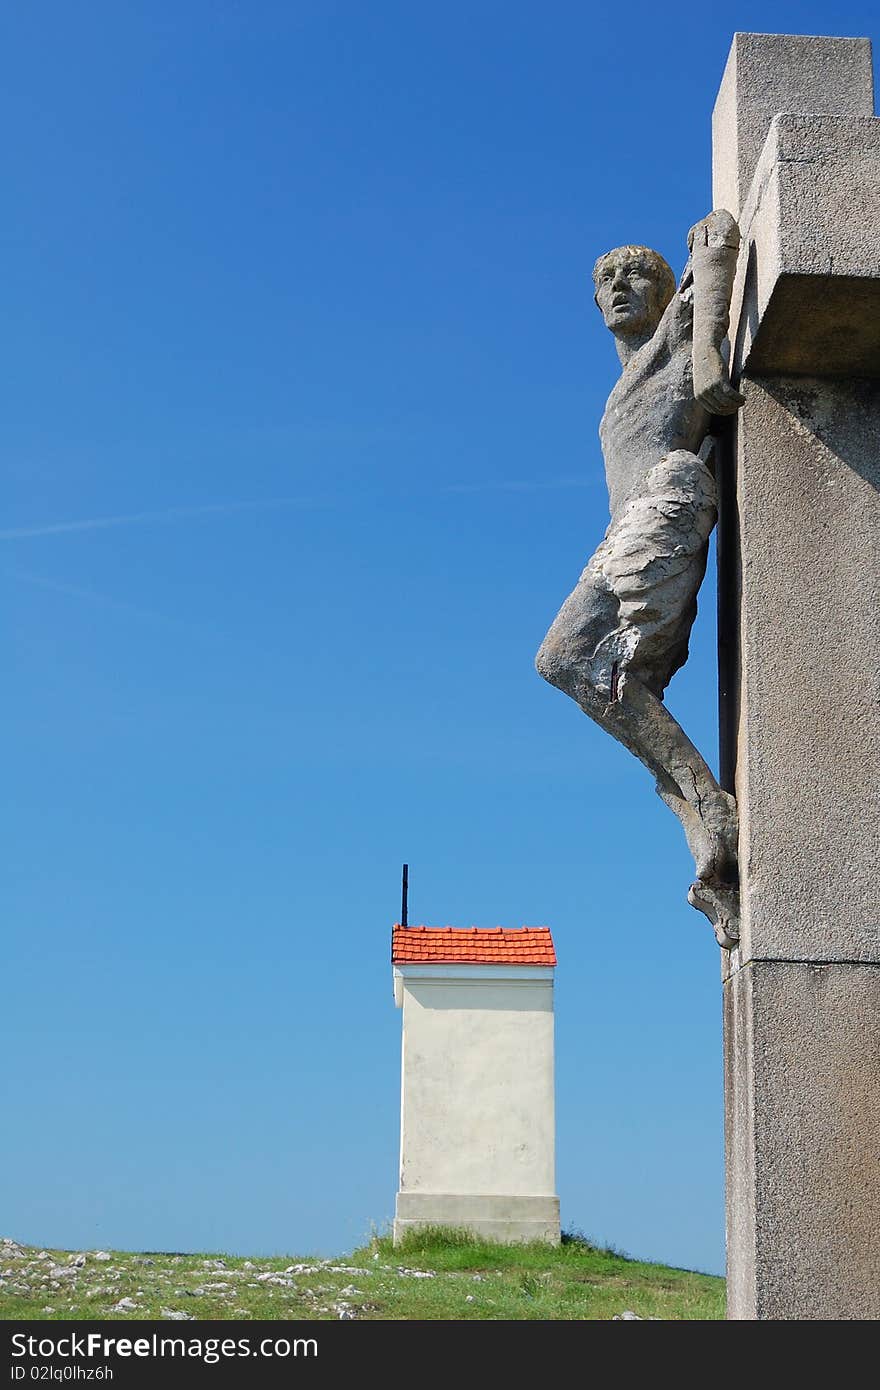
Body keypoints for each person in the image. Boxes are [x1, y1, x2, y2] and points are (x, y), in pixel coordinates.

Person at [535, 211, 743, 945]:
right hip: (627, 523)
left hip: (666, 499)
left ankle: (703, 804)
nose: (623, 286)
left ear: (665, 292)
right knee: (573, 666)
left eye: (639, 276)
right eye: (608, 280)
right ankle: (698, 809)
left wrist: (711, 358)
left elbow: (716, 235)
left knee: (574, 662)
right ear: (595, 304)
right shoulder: (626, 379)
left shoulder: (677, 333)